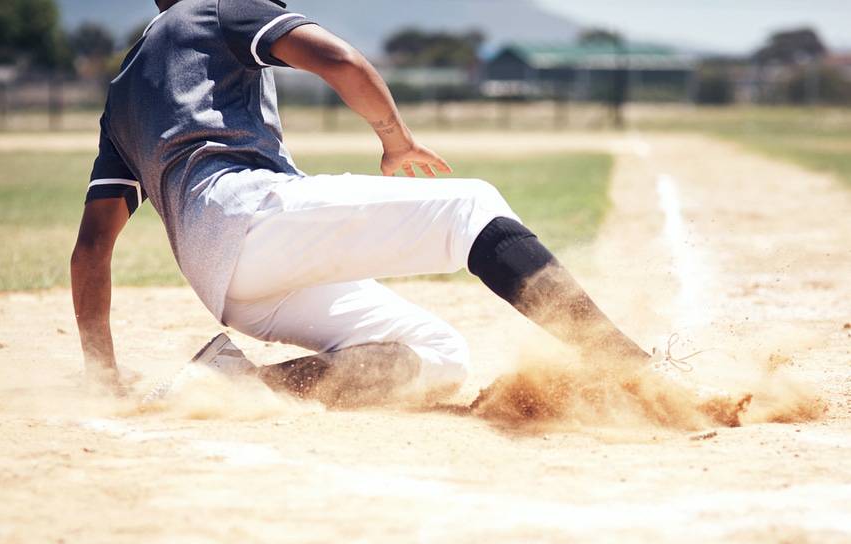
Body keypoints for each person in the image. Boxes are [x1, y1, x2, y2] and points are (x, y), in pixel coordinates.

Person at [70, 0, 651, 405]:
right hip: (252, 220)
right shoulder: (218, 7)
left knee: (439, 353)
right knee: (471, 206)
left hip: (227, 285)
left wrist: (101, 373)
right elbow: (339, 60)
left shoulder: (123, 92)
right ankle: (626, 365)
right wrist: (396, 142)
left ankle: (231, 384)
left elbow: (92, 248)